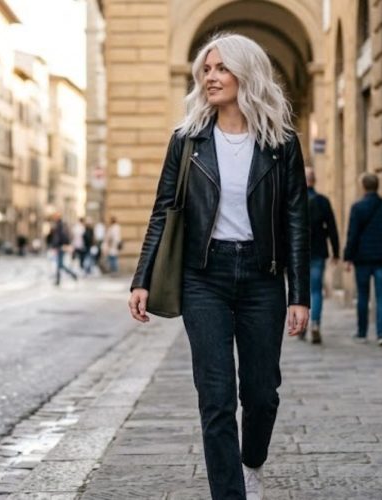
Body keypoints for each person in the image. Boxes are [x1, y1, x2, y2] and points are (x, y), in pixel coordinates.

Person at [128, 34, 309, 500]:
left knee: (262, 393)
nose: (210, 77)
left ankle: (252, 462)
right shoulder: (186, 140)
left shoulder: (280, 143)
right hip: (202, 278)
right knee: (216, 396)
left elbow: (295, 219)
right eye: (206, 69)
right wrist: (142, 278)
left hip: (261, 277)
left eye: (221, 68)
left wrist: (299, 294)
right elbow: (162, 210)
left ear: (245, 74)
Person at [343, 172, 382, 347]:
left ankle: (362, 333)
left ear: (363, 186)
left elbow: (352, 235)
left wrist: (348, 257)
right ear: (377, 186)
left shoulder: (358, 208)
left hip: (362, 259)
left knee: (363, 296)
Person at [302, 167, 340, 344]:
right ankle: (315, 324)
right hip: (318, 251)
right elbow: (332, 227)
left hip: (298, 253)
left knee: (299, 290)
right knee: (316, 290)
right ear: (314, 181)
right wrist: (336, 252)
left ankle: (300, 326)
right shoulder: (323, 201)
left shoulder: (293, 199)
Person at [48, 214, 78, 286]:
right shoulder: (61, 225)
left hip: (60, 247)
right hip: (61, 246)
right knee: (59, 264)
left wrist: (55, 245)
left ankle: (72, 275)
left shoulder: (59, 226)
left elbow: (58, 237)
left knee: (60, 264)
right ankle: (59, 279)